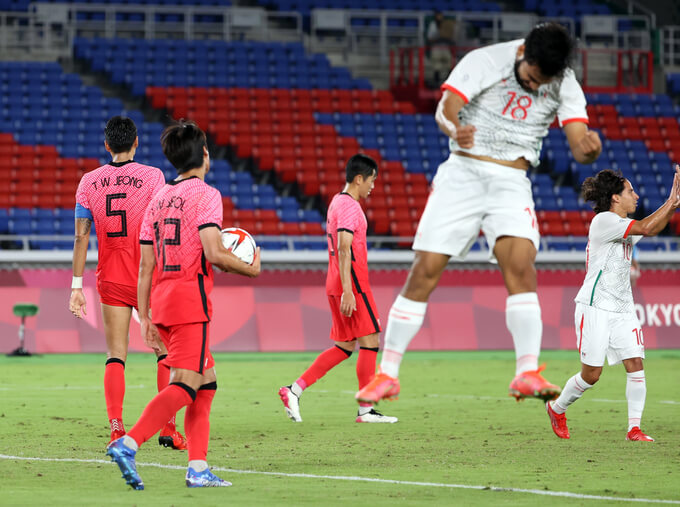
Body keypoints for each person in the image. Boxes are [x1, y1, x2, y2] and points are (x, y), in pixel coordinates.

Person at [357, 22, 602, 405]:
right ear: (523, 55)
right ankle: (387, 374)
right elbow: (446, 109)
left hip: (512, 179)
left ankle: (526, 371)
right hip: (463, 174)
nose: (538, 87)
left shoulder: (563, 80)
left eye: (545, 82)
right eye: (533, 78)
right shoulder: (486, 60)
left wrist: (589, 149)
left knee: (522, 264)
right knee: (425, 270)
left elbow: (579, 143)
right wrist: (455, 130)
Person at [106, 119, 260, 490]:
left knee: (206, 385)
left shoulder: (157, 198)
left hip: (162, 300)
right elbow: (215, 253)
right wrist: (251, 269)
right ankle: (128, 443)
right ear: (205, 155)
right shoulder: (206, 195)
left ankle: (198, 468)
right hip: (192, 300)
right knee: (185, 385)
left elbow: (145, 267)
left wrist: (144, 316)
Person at [69, 116, 187, 449]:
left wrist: (76, 286)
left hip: (111, 277)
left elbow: (81, 236)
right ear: (136, 143)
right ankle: (167, 427)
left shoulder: (88, 182)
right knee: (164, 351)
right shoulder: (153, 177)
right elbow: (163, 226)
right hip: (147, 276)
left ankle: (117, 429)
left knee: (115, 355)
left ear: (107, 145)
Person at [546, 167, 680, 441]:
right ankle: (557, 407)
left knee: (635, 364)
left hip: (623, 308)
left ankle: (634, 428)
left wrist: (673, 204)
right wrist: (671, 202)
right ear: (616, 198)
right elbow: (646, 226)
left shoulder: (623, 225)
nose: (637, 196)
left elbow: (652, 226)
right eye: (630, 191)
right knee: (592, 375)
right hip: (595, 306)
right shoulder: (604, 221)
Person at [278, 154, 397, 424]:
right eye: (372, 180)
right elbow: (344, 247)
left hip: (338, 281)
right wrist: (348, 290)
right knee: (370, 342)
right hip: (351, 283)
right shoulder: (349, 206)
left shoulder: (336, 202)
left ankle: (293, 390)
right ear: (359, 179)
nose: (373, 186)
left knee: (344, 346)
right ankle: (366, 410)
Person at [426, 11, 457, 87]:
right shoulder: (433, 25)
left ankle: (449, 81)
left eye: (440, 15)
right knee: (437, 65)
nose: (439, 17)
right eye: (438, 16)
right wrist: (439, 35)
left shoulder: (445, 24)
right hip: (436, 46)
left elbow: (450, 36)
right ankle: (436, 83)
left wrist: (446, 36)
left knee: (449, 62)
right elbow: (430, 37)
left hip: (445, 46)